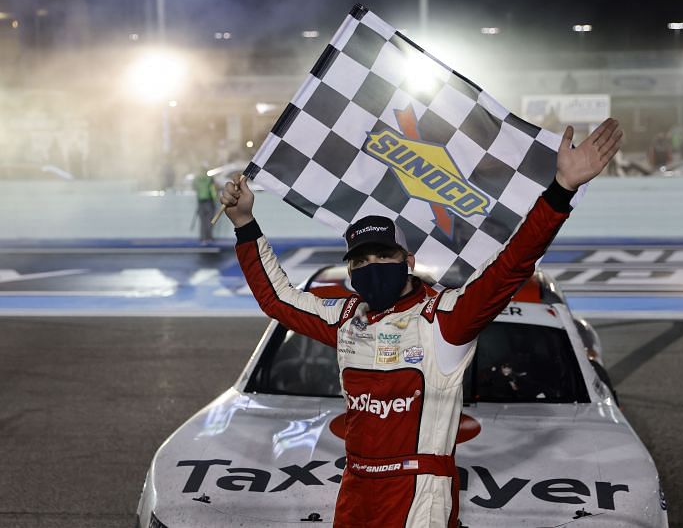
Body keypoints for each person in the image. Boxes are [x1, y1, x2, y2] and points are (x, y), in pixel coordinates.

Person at [220, 119, 623, 528]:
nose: (371, 267)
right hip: (355, 488)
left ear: (408, 262)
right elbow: (276, 299)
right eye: (360, 261)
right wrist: (244, 224)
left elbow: (510, 266)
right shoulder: (344, 318)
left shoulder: (444, 318)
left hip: (420, 494)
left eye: (383, 257)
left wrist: (560, 191)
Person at [192, 167, 217, 244]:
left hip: (200, 202)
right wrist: (214, 200)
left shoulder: (196, 179)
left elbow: (194, 188)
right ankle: (209, 237)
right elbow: (212, 190)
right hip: (209, 201)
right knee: (210, 220)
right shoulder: (209, 179)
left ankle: (202, 238)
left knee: (202, 221)